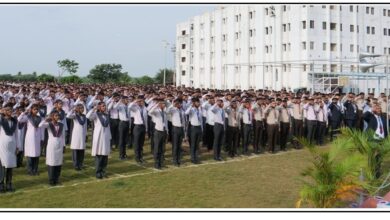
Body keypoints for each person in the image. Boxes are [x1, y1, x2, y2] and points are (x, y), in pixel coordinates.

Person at [39, 111, 65, 186]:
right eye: (56, 116)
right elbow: (40, 125)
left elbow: (62, 136)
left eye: (58, 115)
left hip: (59, 144)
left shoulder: (61, 125)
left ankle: (57, 178)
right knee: (52, 162)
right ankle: (51, 179)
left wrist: (64, 145)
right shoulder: (49, 124)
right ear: (52, 117)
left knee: (58, 162)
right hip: (52, 145)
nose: (57, 117)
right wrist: (46, 119)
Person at [86, 102, 111, 179]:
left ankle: (103, 171)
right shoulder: (96, 115)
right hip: (99, 137)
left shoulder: (107, 115)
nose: (104, 107)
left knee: (105, 156)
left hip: (106, 137)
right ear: (99, 107)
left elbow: (108, 127)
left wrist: (110, 136)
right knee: (99, 155)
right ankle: (98, 172)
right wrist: (94, 109)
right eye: (103, 106)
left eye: (105, 106)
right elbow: (88, 116)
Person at [17, 104, 42, 176]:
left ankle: (35, 169)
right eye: (34, 109)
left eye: (37, 109)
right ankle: (30, 170)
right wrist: (23, 112)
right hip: (30, 138)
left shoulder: (39, 118)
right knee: (30, 154)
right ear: (31, 110)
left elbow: (40, 128)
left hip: (37, 138)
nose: (36, 111)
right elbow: (19, 119)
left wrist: (41, 138)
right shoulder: (28, 117)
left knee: (36, 154)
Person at [0, 105, 19, 192]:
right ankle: (1, 184)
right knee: (2, 165)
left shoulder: (15, 121)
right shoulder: (1, 120)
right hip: (2, 145)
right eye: (8, 111)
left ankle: (9, 183)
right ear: (4, 112)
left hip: (12, 145)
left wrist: (18, 146)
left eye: (11, 111)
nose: (10, 112)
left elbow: (16, 134)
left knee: (10, 165)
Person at [148, 99, 168, 169]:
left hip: (164, 131)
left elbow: (165, 123)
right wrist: (156, 105)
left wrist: (167, 131)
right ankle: (156, 164)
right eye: (162, 104)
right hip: (158, 132)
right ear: (159, 104)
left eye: (164, 104)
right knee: (157, 148)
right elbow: (150, 112)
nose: (164, 105)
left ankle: (161, 162)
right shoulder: (156, 111)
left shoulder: (164, 112)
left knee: (162, 148)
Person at [66, 104, 87, 170]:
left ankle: (80, 164)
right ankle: (76, 165)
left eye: (82, 108)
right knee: (76, 149)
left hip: (82, 135)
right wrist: (73, 110)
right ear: (77, 109)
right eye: (80, 108)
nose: (82, 109)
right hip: (76, 135)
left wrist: (86, 134)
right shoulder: (75, 116)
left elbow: (85, 126)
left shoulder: (84, 116)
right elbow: (68, 115)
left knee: (81, 150)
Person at [128, 96, 148, 164]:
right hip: (137, 127)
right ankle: (137, 158)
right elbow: (129, 107)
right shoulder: (135, 108)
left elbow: (145, 119)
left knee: (141, 143)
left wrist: (146, 129)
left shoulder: (145, 108)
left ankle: (141, 157)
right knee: (137, 143)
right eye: (139, 101)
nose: (140, 102)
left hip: (143, 126)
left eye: (142, 101)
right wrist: (135, 101)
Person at [166, 98, 186, 166]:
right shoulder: (173, 109)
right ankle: (174, 160)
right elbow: (167, 111)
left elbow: (184, 120)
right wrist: (172, 105)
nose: (179, 104)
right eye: (178, 103)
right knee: (175, 145)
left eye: (180, 103)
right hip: (175, 128)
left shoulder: (182, 110)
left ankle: (178, 159)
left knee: (179, 145)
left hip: (181, 128)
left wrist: (184, 129)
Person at [185, 97, 203, 164]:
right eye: (197, 102)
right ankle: (192, 158)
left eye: (199, 102)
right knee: (193, 144)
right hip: (193, 128)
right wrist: (191, 106)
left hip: (198, 128)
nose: (199, 103)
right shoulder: (192, 109)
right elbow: (186, 113)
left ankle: (196, 157)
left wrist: (202, 129)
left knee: (197, 144)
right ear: (194, 103)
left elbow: (201, 120)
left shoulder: (199, 110)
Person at [117, 96, 130, 160]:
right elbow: (115, 107)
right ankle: (121, 155)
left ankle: (124, 153)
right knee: (121, 140)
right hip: (122, 123)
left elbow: (129, 116)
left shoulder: (127, 106)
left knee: (125, 140)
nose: (128, 100)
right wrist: (120, 101)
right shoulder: (120, 106)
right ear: (123, 100)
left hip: (127, 123)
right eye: (126, 99)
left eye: (128, 99)